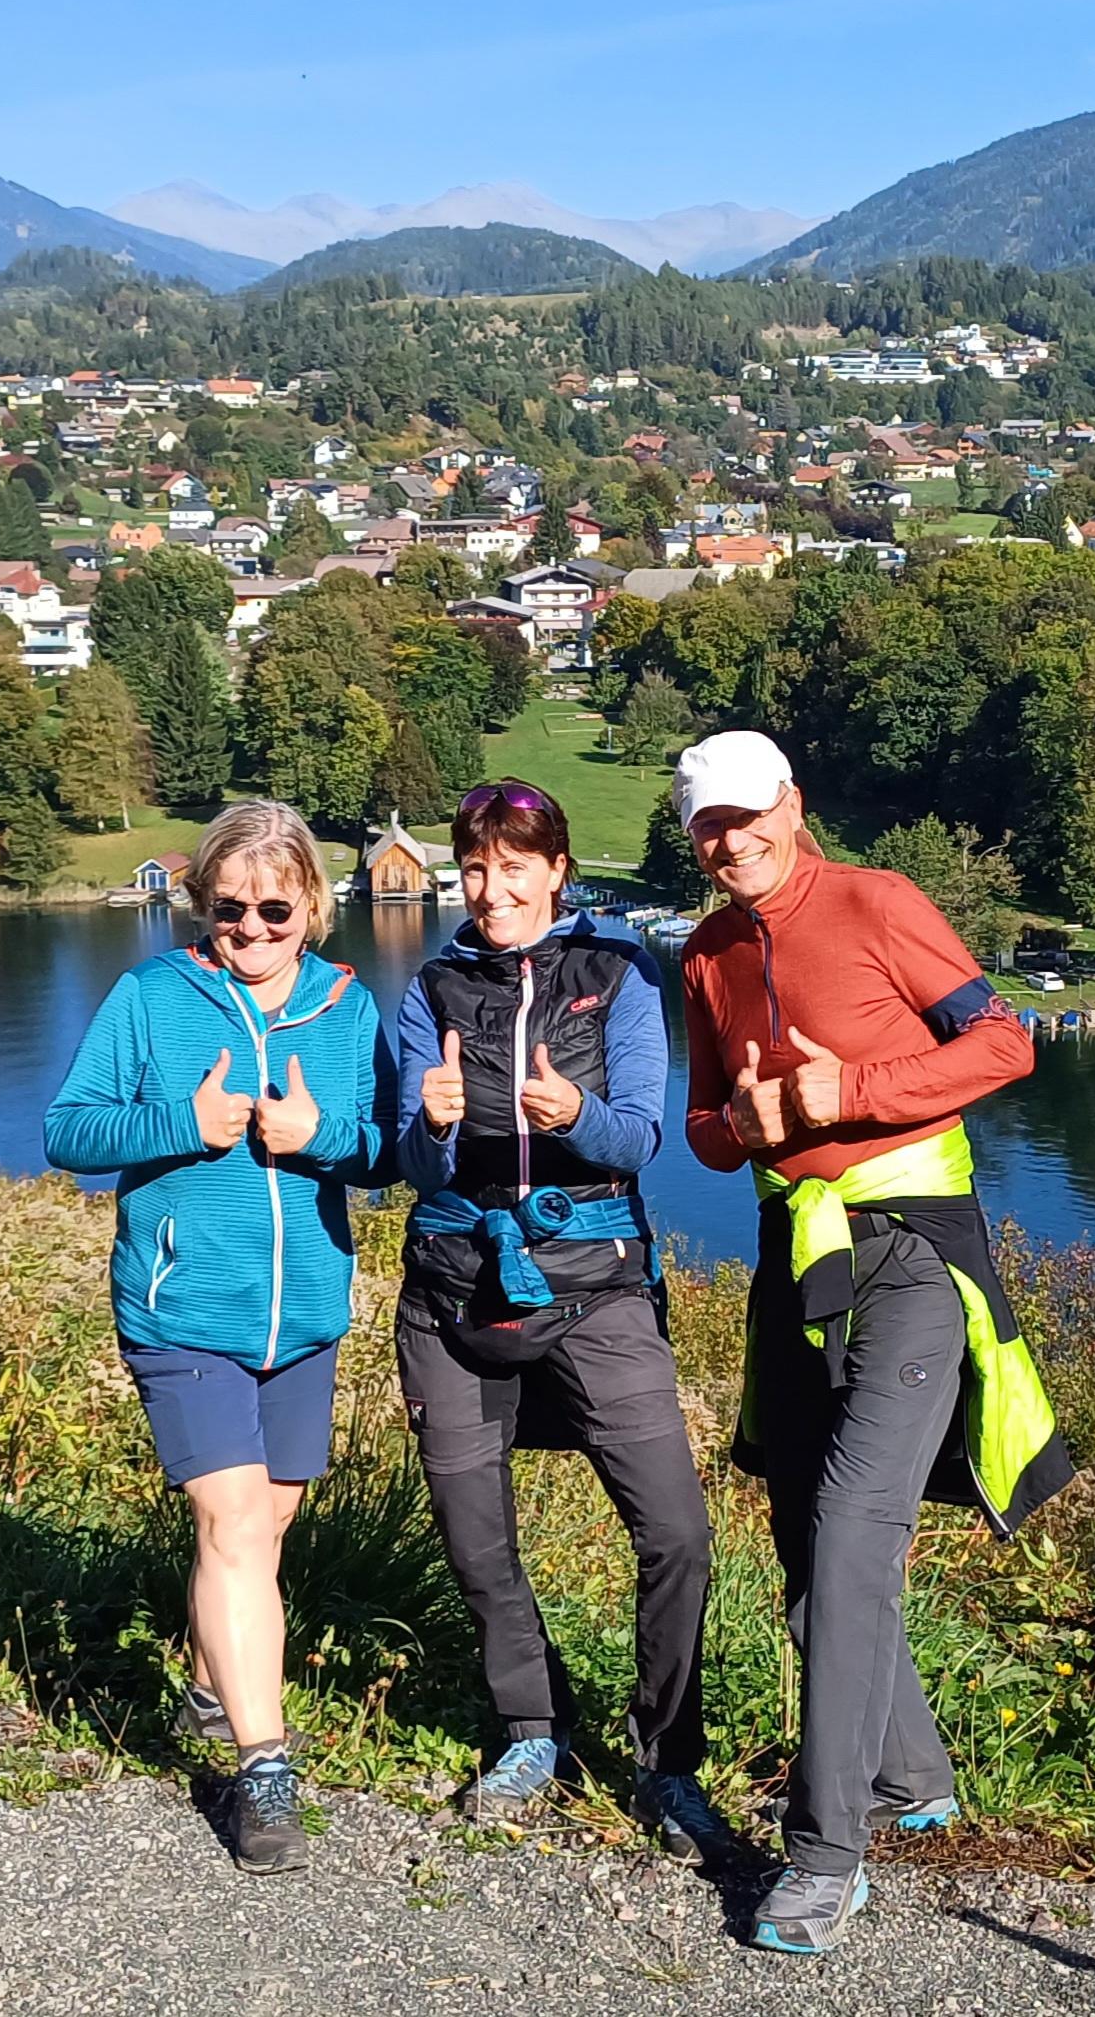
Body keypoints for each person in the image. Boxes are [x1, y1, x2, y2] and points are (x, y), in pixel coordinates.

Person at [672, 731, 1074, 1956]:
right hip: (795, 1257)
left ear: (791, 806)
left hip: (910, 1254)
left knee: (854, 1531)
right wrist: (746, 1126)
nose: (729, 842)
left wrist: (848, 1092)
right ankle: (911, 1776)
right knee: (805, 1547)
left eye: (746, 817)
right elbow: (702, 1128)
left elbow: (1002, 1043)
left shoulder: (875, 902)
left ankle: (823, 1854)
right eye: (706, 825)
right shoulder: (703, 951)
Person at [43, 800, 393, 1876]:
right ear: (201, 903)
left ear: (310, 906)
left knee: (267, 1521)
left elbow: (388, 1154)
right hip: (181, 1308)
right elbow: (67, 1130)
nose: (248, 928)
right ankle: (264, 1770)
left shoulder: (347, 1007)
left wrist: (320, 1135)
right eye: (226, 906)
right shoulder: (152, 997)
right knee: (233, 1519)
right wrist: (180, 1126)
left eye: (272, 908)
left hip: (304, 1315)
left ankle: (210, 1683)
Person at [390, 781, 729, 1860]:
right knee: (474, 1532)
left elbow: (639, 1139)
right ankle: (531, 1728)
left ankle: (667, 1758)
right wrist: (431, 1126)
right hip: (454, 1283)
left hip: (596, 1283)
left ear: (556, 871)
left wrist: (576, 1113)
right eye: (473, 868)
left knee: (675, 1531)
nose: (491, 889)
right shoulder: (432, 986)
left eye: (512, 867)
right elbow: (410, 1163)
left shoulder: (618, 972)